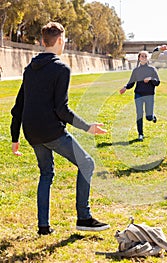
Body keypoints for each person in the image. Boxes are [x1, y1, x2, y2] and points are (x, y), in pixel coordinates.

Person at [10, 22, 110, 235]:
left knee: (46, 173)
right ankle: (84, 217)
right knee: (87, 163)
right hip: (50, 131)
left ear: (42, 41)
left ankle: (43, 227)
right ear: (61, 40)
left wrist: (15, 137)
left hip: (31, 131)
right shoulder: (61, 68)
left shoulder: (29, 69)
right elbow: (61, 109)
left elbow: (18, 105)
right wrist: (87, 127)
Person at [120, 50, 160, 141]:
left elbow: (157, 82)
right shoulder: (136, 71)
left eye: (145, 56)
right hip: (138, 94)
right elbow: (131, 82)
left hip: (149, 95)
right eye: (142, 56)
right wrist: (125, 87)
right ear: (139, 58)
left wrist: (150, 79)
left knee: (148, 117)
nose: (144, 58)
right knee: (139, 114)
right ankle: (140, 134)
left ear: (148, 58)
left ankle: (152, 117)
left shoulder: (152, 69)